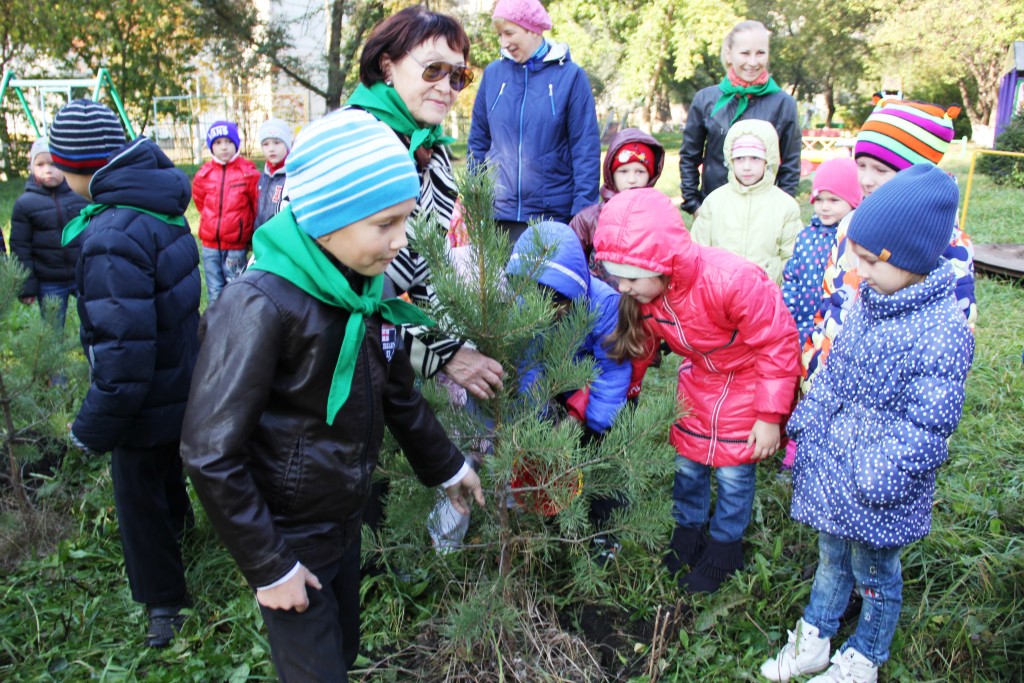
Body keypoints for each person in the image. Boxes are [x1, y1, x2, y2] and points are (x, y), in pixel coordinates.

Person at [180, 109, 484, 682]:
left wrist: (448, 467)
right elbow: (208, 451)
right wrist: (270, 565)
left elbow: (397, 394)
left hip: (341, 517)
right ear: (326, 220)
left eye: (406, 221)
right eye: (386, 225)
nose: (401, 242)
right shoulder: (259, 306)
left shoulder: (366, 289)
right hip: (286, 531)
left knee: (340, 650)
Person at [759, 164, 975, 683]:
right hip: (838, 466)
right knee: (831, 558)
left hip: (879, 484)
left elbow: (927, 427)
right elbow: (835, 370)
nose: (857, 268)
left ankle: (864, 657)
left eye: (867, 260)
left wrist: (879, 476)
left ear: (911, 260)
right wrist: (809, 418)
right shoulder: (867, 301)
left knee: (876, 576)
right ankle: (815, 636)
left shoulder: (943, 331)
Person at [593, 187, 801, 593]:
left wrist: (769, 416)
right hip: (701, 377)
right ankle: (688, 531)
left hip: (749, 377)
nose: (622, 288)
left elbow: (778, 343)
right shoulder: (647, 295)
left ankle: (725, 546)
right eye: (616, 277)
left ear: (664, 264)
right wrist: (625, 396)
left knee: (735, 471)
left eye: (632, 278)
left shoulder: (732, 280)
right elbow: (640, 346)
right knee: (688, 464)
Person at [49, 99, 201, 648]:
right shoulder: (154, 201)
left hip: (143, 397)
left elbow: (122, 357)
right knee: (165, 474)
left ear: (78, 168)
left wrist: (92, 427)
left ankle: (164, 602)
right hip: (177, 379)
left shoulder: (113, 233)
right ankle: (184, 534)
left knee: (137, 494)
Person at [428, 221, 634, 558]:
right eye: (541, 302)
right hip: (554, 391)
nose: (552, 313)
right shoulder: (523, 308)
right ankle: (537, 518)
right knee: (541, 459)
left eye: (560, 304)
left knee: (599, 462)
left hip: (590, 393)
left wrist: (592, 421)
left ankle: (601, 535)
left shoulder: (604, 304)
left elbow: (612, 370)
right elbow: (529, 369)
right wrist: (535, 425)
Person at [345, 5, 504, 400]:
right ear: (387, 67)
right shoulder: (358, 144)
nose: (446, 87)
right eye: (433, 69)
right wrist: (445, 353)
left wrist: (464, 338)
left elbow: (424, 266)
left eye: (458, 76)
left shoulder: (429, 149)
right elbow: (347, 289)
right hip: (325, 355)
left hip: (383, 349)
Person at [801, 98, 976, 393]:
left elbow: (957, 328)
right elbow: (831, 298)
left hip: (886, 394)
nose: (866, 180)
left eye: (881, 170)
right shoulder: (850, 223)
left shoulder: (946, 244)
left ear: (916, 174)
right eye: (861, 166)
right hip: (831, 375)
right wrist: (814, 358)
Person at [468, 0, 601, 242]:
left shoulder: (571, 77)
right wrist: (473, 199)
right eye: (499, 34)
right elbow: (478, 141)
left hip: (552, 218)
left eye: (509, 33)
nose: (503, 42)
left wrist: (583, 214)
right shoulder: (493, 74)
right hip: (498, 217)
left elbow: (585, 150)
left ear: (532, 29)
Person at [679, 20, 800, 216]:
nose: (753, 62)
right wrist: (694, 204)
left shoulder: (783, 104)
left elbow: (790, 164)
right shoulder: (705, 100)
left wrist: (779, 211)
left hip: (763, 214)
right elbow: (689, 157)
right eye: (745, 53)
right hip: (715, 211)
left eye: (760, 53)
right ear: (729, 54)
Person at [690, 119, 802, 285]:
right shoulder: (714, 202)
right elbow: (697, 251)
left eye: (755, 158)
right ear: (730, 160)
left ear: (768, 159)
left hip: (766, 296)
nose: (747, 166)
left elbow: (791, 257)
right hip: (719, 295)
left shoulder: (785, 206)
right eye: (740, 158)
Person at [569, 128, 665, 286]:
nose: (632, 179)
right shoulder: (589, 219)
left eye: (640, 171)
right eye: (623, 171)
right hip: (597, 304)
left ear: (651, 175)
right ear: (611, 173)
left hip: (642, 304)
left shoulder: (658, 217)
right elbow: (571, 262)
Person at [782, 158, 862, 347]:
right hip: (802, 326)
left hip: (837, 330)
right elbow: (792, 279)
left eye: (834, 200)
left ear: (853, 201)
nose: (824, 207)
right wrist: (786, 315)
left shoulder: (853, 239)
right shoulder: (805, 236)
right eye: (819, 199)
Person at [9, 137, 88, 327]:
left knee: (95, 321)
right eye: (40, 164)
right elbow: (21, 247)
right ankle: (55, 357)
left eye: (54, 164)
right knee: (53, 330)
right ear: (32, 168)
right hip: (49, 281)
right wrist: (26, 286)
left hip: (82, 275)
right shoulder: (25, 204)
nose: (47, 170)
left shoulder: (80, 197)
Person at [192, 120, 259, 304]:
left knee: (235, 286)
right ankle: (215, 327)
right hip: (210, 245)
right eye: (218, 142)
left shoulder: (248, 173)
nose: (224, 147)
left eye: (229, 142)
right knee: (214, 289)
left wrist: (247, 233)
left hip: (236, 246)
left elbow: (255, 205)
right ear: (211, 146)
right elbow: (199, 202)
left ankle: (235, 324)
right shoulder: (203, 174)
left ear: (236, 144)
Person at [254, 118, 293, 230]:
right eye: (266, 144)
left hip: (283, 236)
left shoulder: (292, 176)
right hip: (264, 236)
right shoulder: (262, 178)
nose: (271, 149)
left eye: (277, 143)